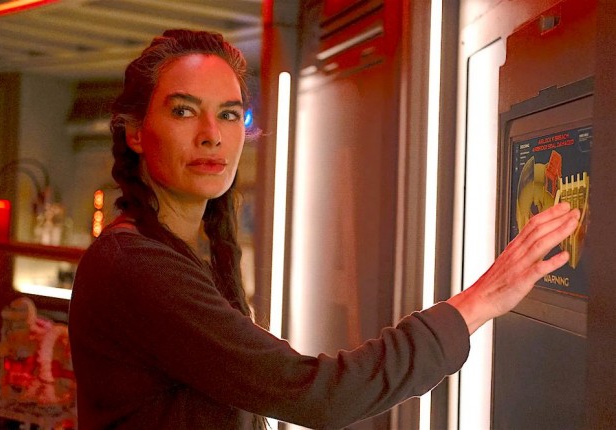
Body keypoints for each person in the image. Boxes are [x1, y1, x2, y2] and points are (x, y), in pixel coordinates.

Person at [68, 29, 580, 429]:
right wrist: (481, 300)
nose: (211, 135)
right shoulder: (136, 266)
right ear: (135, 132)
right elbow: (320, 394)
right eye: (184, 111)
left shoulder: (180, 251)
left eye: (228, 115)